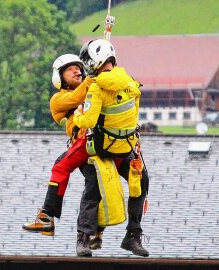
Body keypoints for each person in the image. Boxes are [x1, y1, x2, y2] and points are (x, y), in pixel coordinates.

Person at [73, 39, 150, 257]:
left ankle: (83, 239)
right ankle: (133, 235)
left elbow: (87, 121)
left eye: (89, 62)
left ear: (96, 61)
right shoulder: (130, 82)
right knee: (141, 182)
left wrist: (77, 116)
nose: (87, 68)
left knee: (92, 190)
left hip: (103, 149)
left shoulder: (97, 88)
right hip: (126, 147)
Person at [22, 54, 93, 236]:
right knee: (84, 179)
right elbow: (77, 97)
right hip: (84, 142)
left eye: (78, 68)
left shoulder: (92, 89)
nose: (77, 71)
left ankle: (49, 217)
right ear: (59, 78)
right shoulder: (58, 99)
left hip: (95, 141)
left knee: (63, 169)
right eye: (70, 69)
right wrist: (93, 78)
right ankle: (86, 233)